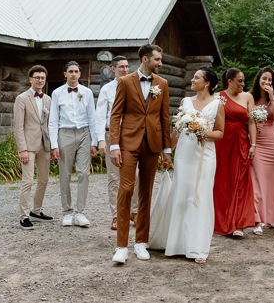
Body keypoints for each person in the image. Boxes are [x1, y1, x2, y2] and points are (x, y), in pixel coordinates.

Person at [149, 67, 225, 264]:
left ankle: (197, 246)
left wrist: (204, 133)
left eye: (197, 77)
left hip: (205, 155)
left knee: (200, 195)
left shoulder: (217, 104)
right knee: (182, 194)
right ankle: (176, 243)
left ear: (207, 83)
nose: (192, 80)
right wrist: (167, 153)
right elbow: (178, 131)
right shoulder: (186, 102)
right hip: (184, 154)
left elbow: (220, 133)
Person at [109, 43, 172, 263]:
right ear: (145, 60)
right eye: (157, 60)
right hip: (127, 143)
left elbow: (165, 118)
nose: (160, 64)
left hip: (152, 145)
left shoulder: (162, 84)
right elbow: (115, 115)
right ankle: (121, 246)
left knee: (146, 191)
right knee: (126, 190)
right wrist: (114, 146)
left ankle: (141, 242)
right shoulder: (125, 82)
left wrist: (167, 150)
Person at [49, 61, 99, 228]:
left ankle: (80, 212)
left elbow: (92, 117)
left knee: (83, 173)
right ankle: (67, 211)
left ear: (80, 74)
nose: (73, 74)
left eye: (76, 71)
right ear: (65, 74)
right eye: (70, 71)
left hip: (84, 133)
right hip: (65, 133)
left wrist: (94, 141)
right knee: (65, 174)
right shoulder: (57, 93)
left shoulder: (87, 92)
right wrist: (54, 144)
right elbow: (53, 119)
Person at [95, 55, 139, 231]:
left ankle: (134, 212)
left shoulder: (135, 86)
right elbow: (100, 115)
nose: (125, 69)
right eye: (121, 66)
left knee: (135, 175)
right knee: (114, 177)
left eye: (127, 66)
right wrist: (100, 140)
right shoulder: (107, 89)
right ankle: (116, 215)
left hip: (131, 135)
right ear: (113, 69)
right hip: (111, 134)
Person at [213, 68, 256, 237]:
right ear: (229, 81)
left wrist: (254, 144)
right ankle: (223, 220)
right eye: (239, 81)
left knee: (240, 180)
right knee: (223, 180)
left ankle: (238, 223)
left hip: (242, 142)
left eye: (243, 81)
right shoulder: (218, 97)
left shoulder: (247, 97)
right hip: (223, 143)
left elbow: (251, 121)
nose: (243, 84)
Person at [13, 65, 56, 230]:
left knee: (44, 180)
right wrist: (22, 149)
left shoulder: (48, 99)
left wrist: (52, 147)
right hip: (28, 146)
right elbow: (18, 126)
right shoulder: (22, 98)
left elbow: (49, 124)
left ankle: (36, 211)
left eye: (43, 78)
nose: (40, 80)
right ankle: (23, 216)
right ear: (30, 79)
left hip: (44, 145)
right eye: (37, 77)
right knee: (28, 181)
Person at [249, 66, 274, 235]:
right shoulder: (250, 96)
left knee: (271, 180)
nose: (267, 82)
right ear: (258, 79)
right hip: (257, 140)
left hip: (272, 140)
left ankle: (269, 217)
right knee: (256, 180)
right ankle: (256, 219)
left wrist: (272, 96)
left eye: (270, 80)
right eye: (264, 79)